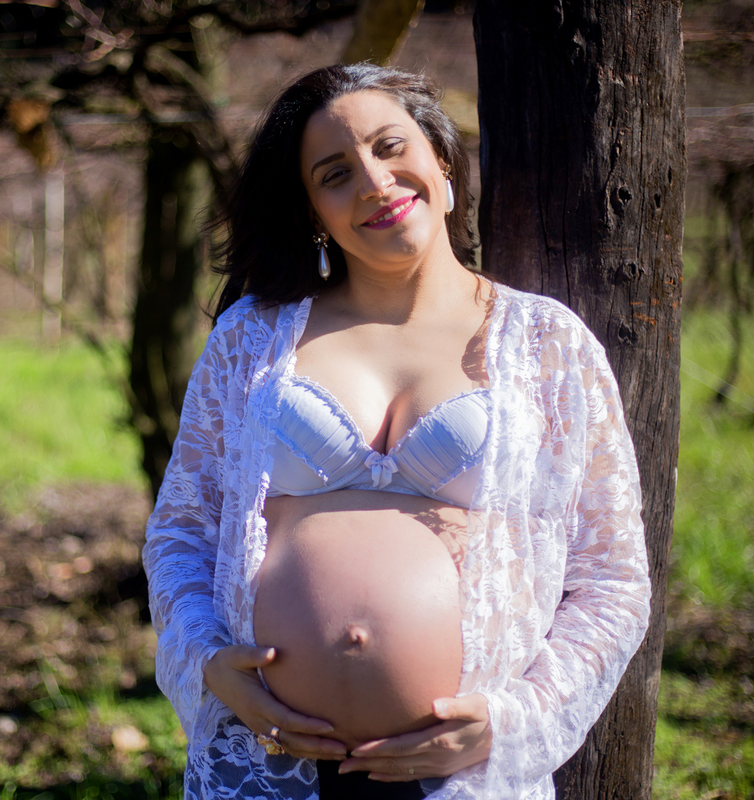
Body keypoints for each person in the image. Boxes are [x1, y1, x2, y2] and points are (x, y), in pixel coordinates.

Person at [142, 63, 650, 800]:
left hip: (460, 774)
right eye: (335, 173)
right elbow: (181, 532)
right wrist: (210, 664)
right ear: (313, 209)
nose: (375, 183)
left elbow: (611, 577)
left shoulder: (548, 344)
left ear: (440, 160)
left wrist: (513, 719)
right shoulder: (251, 340)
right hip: (268, 768)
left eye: (390, 147)